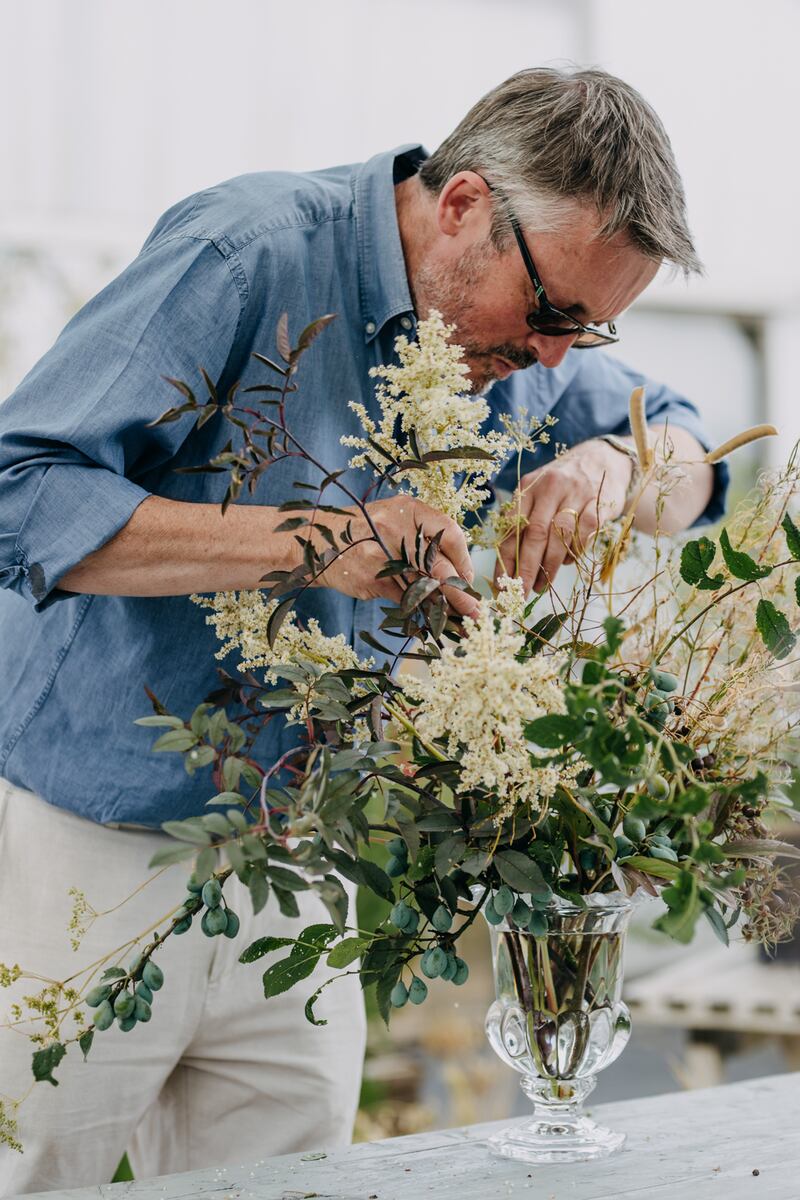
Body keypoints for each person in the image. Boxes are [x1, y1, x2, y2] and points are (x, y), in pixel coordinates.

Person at [0, 66, 726, 1194]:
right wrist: (311, 542)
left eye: (584, 336)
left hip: (304, 875)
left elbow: (689, 450)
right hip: (90, 855)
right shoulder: (244, 252)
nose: (549, 358)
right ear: (462, 206)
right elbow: (21, 489)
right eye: (548, 317)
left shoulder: (524, 340)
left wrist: (616, 461)